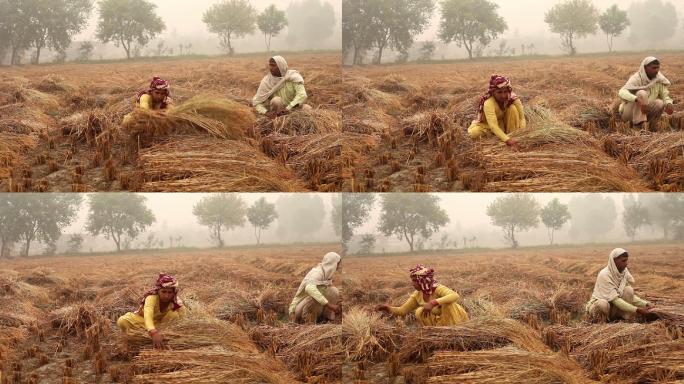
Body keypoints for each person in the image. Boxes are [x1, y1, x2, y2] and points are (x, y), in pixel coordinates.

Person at [376, 264, 469, 326]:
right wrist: (387, 308)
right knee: (419, 311)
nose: (412, 284)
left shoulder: (437, 288)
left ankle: (451, 329)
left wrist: (433, 303)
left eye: (414, 281)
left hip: (456, 320)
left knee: (448, 303)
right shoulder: (417, 295)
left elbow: (455, 295)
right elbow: (403, 310)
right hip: (439, 323)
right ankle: (436, 330)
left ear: (422, 281)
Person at [117, 274, 187, 349]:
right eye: (163, 292)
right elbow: (148, 316)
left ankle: (159, 337)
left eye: (169, 292)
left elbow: (183, 318)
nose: (166, 295)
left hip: (162, 325)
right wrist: (153, 332)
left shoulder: (176, 302)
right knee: (122, 320)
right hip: (144, 323)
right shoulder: (151, 298)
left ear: (173, 293)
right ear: (158, 291)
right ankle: (145, 338)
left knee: (174, 315)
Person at [586, 248, 654, 322]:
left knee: (628, 290)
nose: (626, 263)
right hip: (598, 308)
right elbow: (615, 300)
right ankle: (601, 322)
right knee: (603, 304)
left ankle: (622, 319)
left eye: (626, 260)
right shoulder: (604, 275)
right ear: (614, 261)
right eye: (623, 261)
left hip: (612, 309)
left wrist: (645, 304)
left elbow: (630, 296)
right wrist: (637, 310)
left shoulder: (623, 273)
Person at [468, 75, 526, 149]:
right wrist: (508, 140)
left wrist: (522, 133)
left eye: (505, 91)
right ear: (493, 92)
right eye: (499, 92)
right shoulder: (489, 103)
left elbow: (522, 118)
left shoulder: (513, 98)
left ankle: (512, 134)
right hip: (488, 126)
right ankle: (502, 137)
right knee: (474, 133)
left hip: (503, 124)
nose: (503, 95)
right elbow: (493, 126)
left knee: (512, 108)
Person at [618, 57, 675, 127]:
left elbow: (665, 95)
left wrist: (669, 103)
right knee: (642, 93)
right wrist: (636, 99)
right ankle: (638, 125)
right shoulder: (636, 78)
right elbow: (621, 92)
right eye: (653, 68)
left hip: (646, 111)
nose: (656, 70)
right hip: (630, 113)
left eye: (658, 68)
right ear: (645, 68)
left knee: (660, 103)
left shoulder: (658, 79)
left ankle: (650, 126)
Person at [289, 252, 342, 324]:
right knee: (314, 298)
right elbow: (309, 288)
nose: (338, 266)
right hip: (298, 310)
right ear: (333, 263)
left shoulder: (326, 275)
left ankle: (326, 319)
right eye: (337, 263)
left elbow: (330, 289)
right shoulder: (317, 273)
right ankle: (309, 322)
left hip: (313, 307)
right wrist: (330, 305)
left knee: (333, 290)